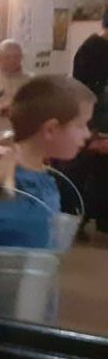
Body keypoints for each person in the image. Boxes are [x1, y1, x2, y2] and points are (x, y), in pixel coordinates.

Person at [0, 75, 96, 249]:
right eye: (81, 125)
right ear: (50, 130)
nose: (87, 134)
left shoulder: (43, 176)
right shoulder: (4, 175)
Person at [64, 13, 108, 234]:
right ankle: (73, 220)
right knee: (83, 171)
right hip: (93, 119)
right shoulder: (91, 50)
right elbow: (85, 91)